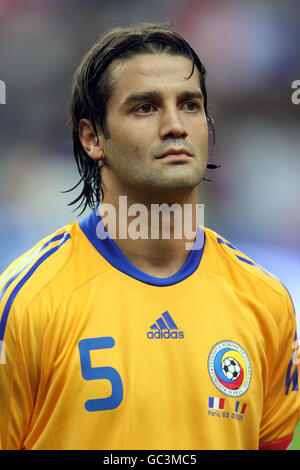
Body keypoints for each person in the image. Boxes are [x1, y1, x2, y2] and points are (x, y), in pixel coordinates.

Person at [0, 22, 299, 451]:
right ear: (92, 137)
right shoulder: (27, 302)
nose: (175, 125)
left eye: (191, 105)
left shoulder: (266, 300)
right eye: (145, 107)